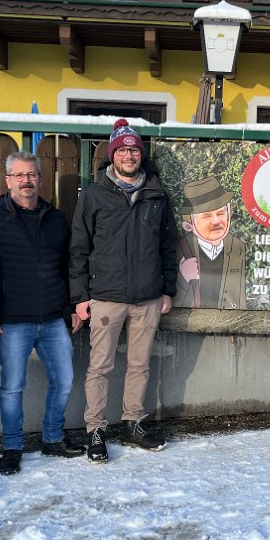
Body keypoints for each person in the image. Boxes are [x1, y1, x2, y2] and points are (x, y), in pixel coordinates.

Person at [69, 118, 178, 463]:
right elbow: (79, 248)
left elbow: (168, 246)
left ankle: (133, 423)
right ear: (112, 154)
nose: (129, 155)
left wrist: (167, 289)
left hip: (148, 296)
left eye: (134, 150)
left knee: (139, 364)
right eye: (122, 150)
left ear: (140, 155)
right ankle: (95, 429)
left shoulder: (157, 194)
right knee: (99, 367)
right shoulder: (94, 194)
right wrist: (80, 296)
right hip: (106, 296)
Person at [0, 152, 86, 476]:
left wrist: (71, 308)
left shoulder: (56, 218)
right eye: (19, 175)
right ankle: (12, 447)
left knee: (64, 380)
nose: (26, 181)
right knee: (12, 387)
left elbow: (66, 267)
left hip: (52, 318)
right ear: (8, 180)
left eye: (32, 175)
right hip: (11, 320)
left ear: (40, 178)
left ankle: (53, 437)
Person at [175, 176, 247, 310]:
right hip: (191, 318)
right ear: (188, 225)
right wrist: (184, 278)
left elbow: (239, 296)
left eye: (220, 213)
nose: (216, 221)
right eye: (206, 216)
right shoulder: (181, 248)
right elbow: (171, 299)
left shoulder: (237, 247)